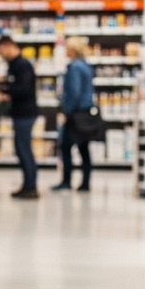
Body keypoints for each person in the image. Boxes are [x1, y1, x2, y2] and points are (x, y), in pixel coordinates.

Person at [0, 34, 39, 199]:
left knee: (24, 149)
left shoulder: (22, 66)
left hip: (25, 114)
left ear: (9, 46)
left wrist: (6, 92)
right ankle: (27, 185)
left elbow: (23, 89)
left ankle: (31, 187)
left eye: (1, 51)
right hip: (20, 113)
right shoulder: (14, 65)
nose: (1, 55)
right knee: (22, 149)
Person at [54, 37, 95, 192]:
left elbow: (74, 92)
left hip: (75, 113)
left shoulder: (74, 67)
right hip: (86, 111)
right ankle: (85, 182)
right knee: (84, 148)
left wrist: (66, 111)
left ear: (72, 50)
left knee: (65, 146)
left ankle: (66, 181)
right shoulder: (86, 66)